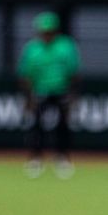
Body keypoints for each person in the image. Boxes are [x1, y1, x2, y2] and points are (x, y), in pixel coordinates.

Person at [18, 11, 81, 179]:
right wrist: (28, 97)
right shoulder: (32, 49)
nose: (46, 34)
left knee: (63, 127)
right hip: (40, 91)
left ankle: (62, 158)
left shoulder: (66, 46)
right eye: (44, 31)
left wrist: (73, 95)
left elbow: (74, 72)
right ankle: (35, 159)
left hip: (61, 91)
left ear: (55, 31)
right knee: (37, 126)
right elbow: (26, 75)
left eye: (49, 31)